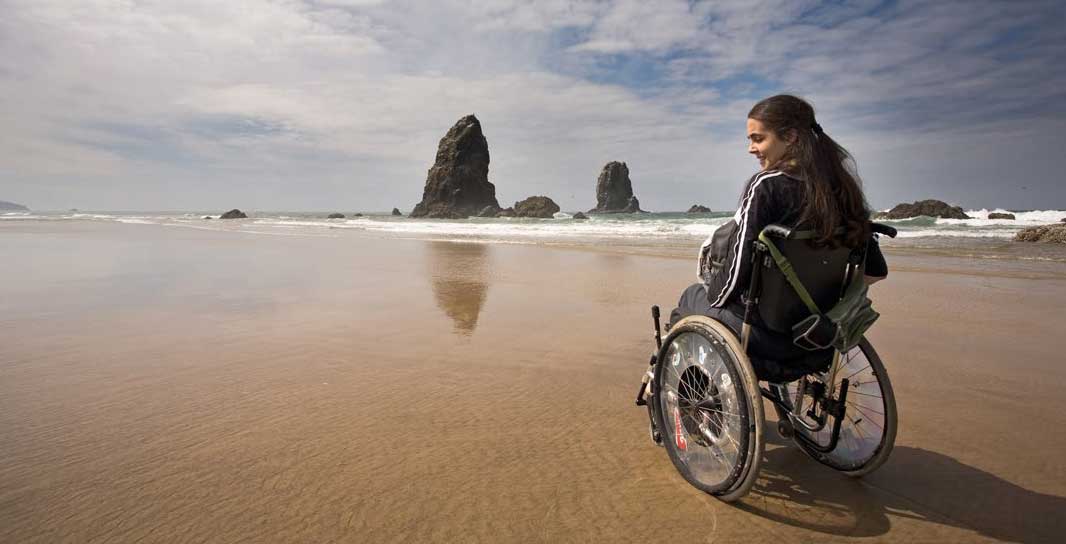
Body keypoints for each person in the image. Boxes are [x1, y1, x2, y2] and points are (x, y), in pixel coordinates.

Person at [670, 94, 887, 381]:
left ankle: (689, 389)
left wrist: (713, 295)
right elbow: (875, 272)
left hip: (763, 341)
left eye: (758, 139)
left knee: (692, 296)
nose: (751, 149)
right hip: (816, 337)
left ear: (790, 137)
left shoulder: (767, 186)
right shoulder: (843, 190)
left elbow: (733, 280)